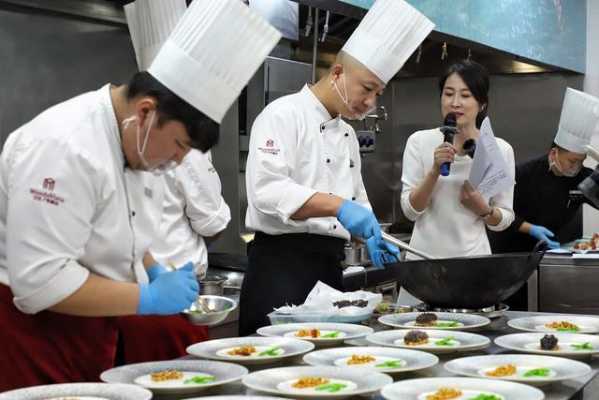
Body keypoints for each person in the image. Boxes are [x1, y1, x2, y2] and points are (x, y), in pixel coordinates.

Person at [0, 0, 280, 390]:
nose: (178, 160)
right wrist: (145, 298)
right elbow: (39, 285)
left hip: (93, 329)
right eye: (179, 145)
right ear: (146, 111)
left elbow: (121, 229)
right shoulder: (64, 145)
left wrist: (152, 267)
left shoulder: (133, 144)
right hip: (37, 336)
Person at [241, 0, 434, 336]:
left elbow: (356, 202)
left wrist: (373, 233)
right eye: (368, 88)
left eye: (379, 93)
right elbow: (266, 192)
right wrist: (338, 206)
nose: (371, 101)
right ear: (338, 73)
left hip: (329, 274)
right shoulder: (282, 114)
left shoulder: (345, 133)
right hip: (280, 269)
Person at [114, 0, 231, 364]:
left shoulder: (125, 129)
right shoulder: (183, 140)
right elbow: (214, 222)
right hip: (167, 307)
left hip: (126, 299)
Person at [399, 59, 516, 304]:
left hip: (473, 266)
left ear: (481, 103)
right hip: (423, 266)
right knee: (416, 337)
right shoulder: (419, 142)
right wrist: (433, 171)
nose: (455, 102)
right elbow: (410, 211)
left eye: (465, 95)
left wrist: (483, 209)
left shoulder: (497, 149)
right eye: (448, 93)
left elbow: (504, 219)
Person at [488, 88, 599, 310]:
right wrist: (531, 229)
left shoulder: (580, 178)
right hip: (511, 262)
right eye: (571, 161)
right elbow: (498, 213)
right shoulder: (524, 173)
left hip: (547, 265)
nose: (575, 167)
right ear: (554, 153)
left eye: (581, 161)